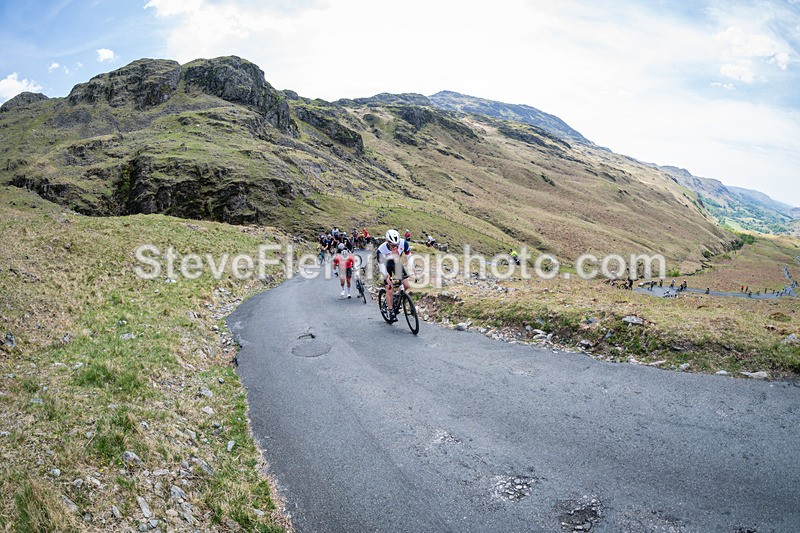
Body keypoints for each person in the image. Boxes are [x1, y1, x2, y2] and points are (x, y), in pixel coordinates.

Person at [376, 229, 411, 321]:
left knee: (406, 285)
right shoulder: (381, 250)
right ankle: (390, 310)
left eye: (397, 244)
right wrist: (386, 276)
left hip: (396, 264)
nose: (395, 247)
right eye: (393, 245)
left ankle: (397, 296)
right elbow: (381, 265)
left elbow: (409, 257)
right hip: (385, 265)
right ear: (387, 241)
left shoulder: (404, 243)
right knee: (389, 288)